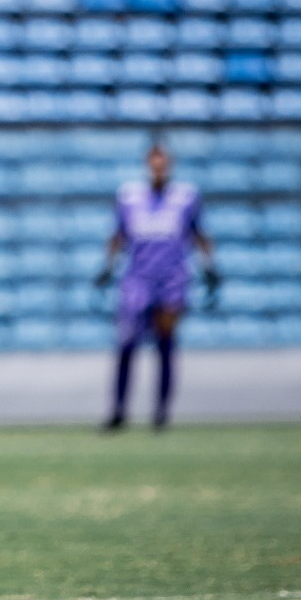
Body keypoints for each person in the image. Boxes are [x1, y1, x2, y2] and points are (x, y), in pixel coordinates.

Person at [95, 140, 218, 432]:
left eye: (163, 162)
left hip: (171, 280)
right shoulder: (129, 197)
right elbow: (118, 235)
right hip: (137, 280)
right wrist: (107, 268)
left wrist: (209, 268)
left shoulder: (186, 197)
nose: (158, 167)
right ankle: (119, 410)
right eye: (154, 162)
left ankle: (161, 413)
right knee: (127, 344)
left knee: (165, 344)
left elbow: (199, 234)